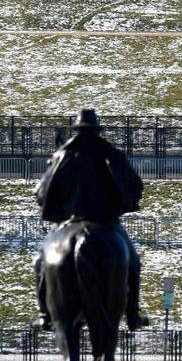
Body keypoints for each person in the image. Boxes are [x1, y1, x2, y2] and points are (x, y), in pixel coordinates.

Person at [33, 109, 148, 332]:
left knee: (40, 262)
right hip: (105, 222)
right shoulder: (110, 153)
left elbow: (40, 192)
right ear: (96, 131)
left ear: (76, 131)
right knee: (133, 262)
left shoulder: (63, 155)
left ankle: (44, 315)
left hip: (71, 221)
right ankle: (133, 315)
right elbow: (135, 185)